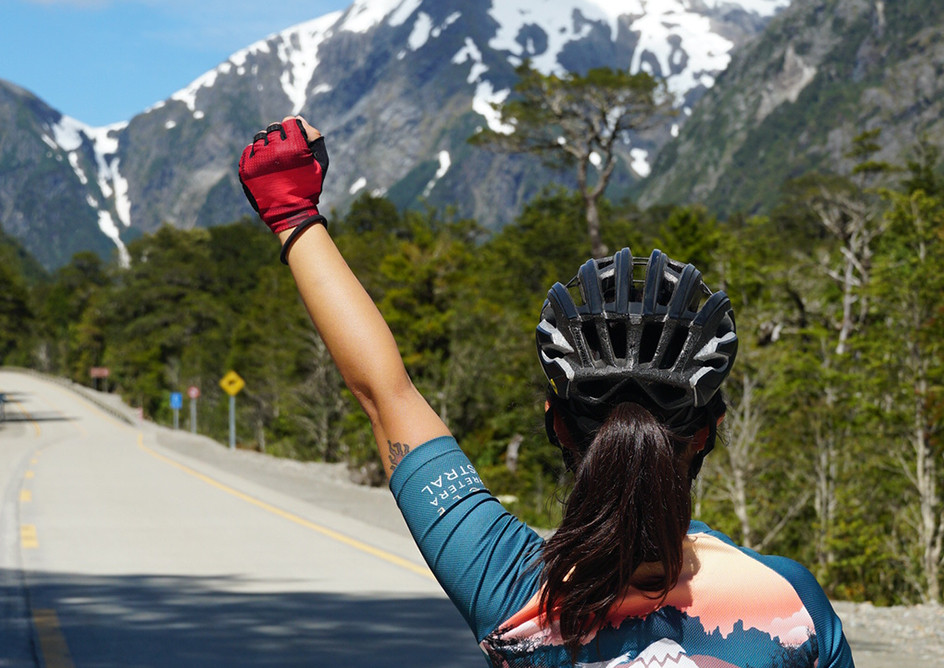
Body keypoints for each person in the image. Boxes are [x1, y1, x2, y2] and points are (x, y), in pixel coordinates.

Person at [238, 116, 855, 667]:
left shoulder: (511, 587)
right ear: (708, 430)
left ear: (556, 424)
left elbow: (385, 393)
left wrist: (291, 212)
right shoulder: (789, 607)